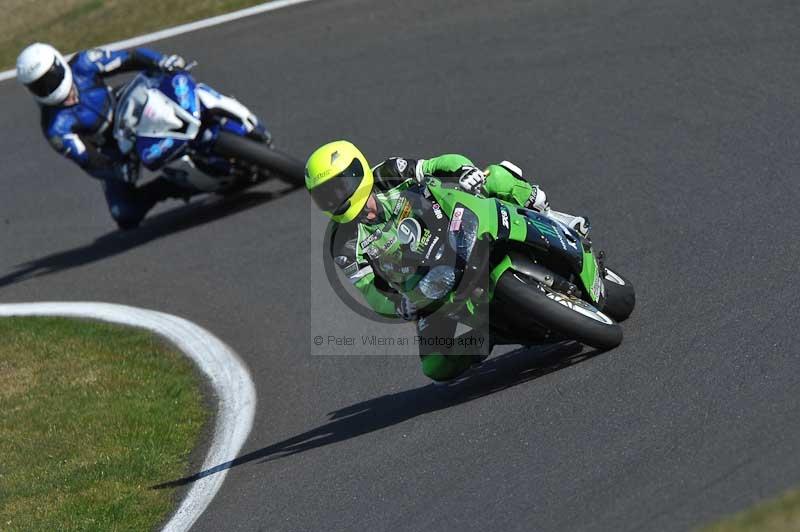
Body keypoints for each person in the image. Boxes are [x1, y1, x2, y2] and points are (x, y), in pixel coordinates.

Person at [305, 140, 589, 382]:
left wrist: (465, 170)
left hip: (453, 225)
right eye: (324, 196)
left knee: (496, 178)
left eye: (338, 188)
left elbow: (438, 164)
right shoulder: (341, 242)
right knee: (435, 366)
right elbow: (371, 293)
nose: (334, 200)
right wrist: (402, 305)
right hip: (426, 284)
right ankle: (486, 336)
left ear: (357, 173)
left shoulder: (388, 173)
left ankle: (552, 216)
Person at [17, 42, 193, 229]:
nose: (47, 87)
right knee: (124, 212)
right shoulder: (55, 128)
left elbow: (130, 57)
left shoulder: (83, 63)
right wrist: (117, 170)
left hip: (127, 104)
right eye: (39, 86)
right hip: (113, 146)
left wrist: (162, 62)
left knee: (173, 81)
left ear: (59, 64)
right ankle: (179, 185)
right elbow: (89, 160)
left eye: (50, 78)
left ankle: (214, 108)